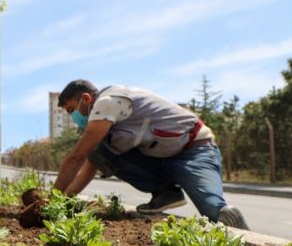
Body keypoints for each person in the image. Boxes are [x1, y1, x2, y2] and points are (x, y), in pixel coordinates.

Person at [53, 79, 249, 229]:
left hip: (194, 150)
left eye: (72, 109)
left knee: (215, 212)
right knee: (100, 151)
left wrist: (53, 200)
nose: (74, 117)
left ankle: (244, 244)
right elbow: (90, 165)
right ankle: (166, 192)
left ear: (86, 99)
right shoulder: (106, 123)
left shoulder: (107, 103)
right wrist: (64, 201)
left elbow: (76, 158)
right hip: (161, 158)